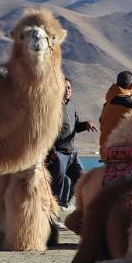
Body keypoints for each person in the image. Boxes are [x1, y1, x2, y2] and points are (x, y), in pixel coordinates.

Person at [46, 77, 96, 210]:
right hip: (58, 153)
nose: (68, 90)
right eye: (64, 87)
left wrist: (85, 125)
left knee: (82, 179)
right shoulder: (52, 107)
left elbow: (75, 127)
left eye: (69, 87)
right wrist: (52, 152)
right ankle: (52, 217)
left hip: (71, 153)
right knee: (56, 185)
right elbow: (45, 130)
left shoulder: (71, 105)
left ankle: (64, 204)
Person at [99, 70, 132, 153]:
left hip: (105, 152)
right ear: (131, 86)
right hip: (119, 152)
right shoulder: (124, 101)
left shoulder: (107, 104)